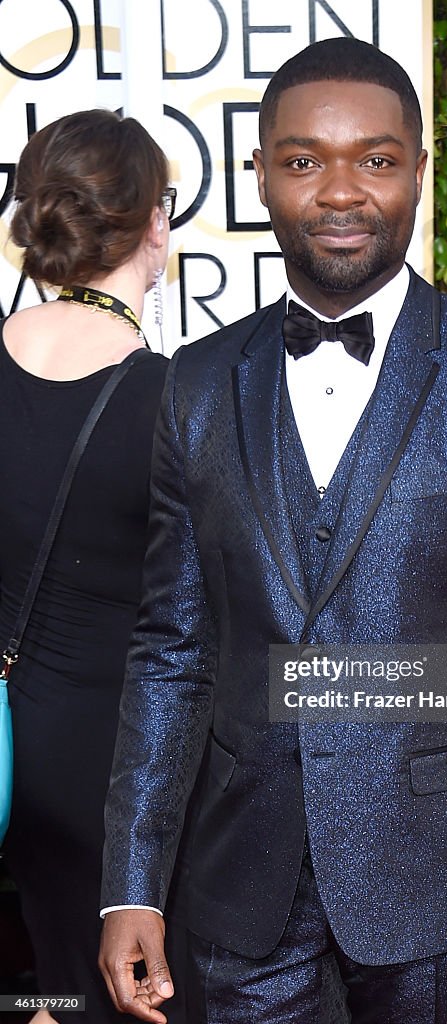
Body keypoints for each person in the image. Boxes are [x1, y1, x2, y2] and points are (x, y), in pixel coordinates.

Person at [99, 38, 447, 1024]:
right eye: (303, 160)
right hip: (242, 879)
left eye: (374, 158)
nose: (339, 190)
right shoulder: (194, 384)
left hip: (446, 888)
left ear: (418, 169)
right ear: (262, 176)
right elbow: (170, 649)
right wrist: (132, 878)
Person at [0, 109, 175, 1024]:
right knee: (113, 992)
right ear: (155, 224)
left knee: (48, 980)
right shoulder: (169, 400)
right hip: (107, 762)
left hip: (1, 749)